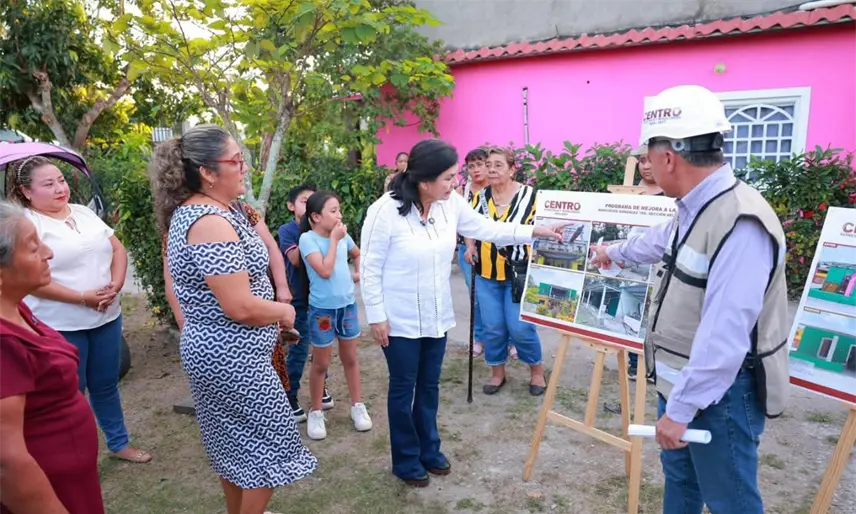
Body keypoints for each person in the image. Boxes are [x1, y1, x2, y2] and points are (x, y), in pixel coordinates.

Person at [591, 85, 790, 514]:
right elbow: (660, 241)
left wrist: (680, 410)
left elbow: (724, 337)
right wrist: (612, 251)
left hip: (721, 394)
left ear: (668, 158)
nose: (645, 165)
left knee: (730, 501)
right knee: (681, 480)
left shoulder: (741, 222)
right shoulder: (697, 204)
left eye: (647, 156)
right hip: (686, 382)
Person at [361, 138, 567, 487]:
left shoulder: (450, 203)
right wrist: (377, 316)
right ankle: (406, 459)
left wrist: (534, 231)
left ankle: (429, 449)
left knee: (430, 386)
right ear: (424, 180)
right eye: (448, 177)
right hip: (398, 320)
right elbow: (369, 268)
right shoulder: (384, 211)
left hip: (436, 315)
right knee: (404, 389)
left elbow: (488, 229)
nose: (455, 183)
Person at [150, 124, 316, 514]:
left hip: (226, 354)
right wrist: (283, 310)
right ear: (208, 172)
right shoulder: (209, 222)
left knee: (236, 450)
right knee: (272, 448)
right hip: (232, 359)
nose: (244, 167)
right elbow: (238, 306)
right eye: (236, 160)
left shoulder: (214, 211)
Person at [6, 156, 150, 464]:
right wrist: (81, 297)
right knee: (71, 393)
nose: (60, 188)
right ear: (26, 191)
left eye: (61, 180)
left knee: (106, 384)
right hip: (60, 324)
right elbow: (30, 280)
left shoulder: (83, 212)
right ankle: (77, 457)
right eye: (49, 184)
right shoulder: (26, 225)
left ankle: (119, 443)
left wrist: (116, 284)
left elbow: (117, 249)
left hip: (106, 316)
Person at [0, 201, 105, 514]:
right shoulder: (3, 344)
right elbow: (6, 462)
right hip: (43, 495)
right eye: (34, 248)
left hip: (69, 478)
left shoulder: (17, 308)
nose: (48, 253)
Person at [163, 198, 296, 393]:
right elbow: (172, 281)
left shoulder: (241, 210)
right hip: (232, 345)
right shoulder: (202, 222)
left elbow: (270, 245)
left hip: (259, 327)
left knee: (270, 390)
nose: (242, 172)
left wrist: (281, 287)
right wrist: (184, 325)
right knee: (256, 399)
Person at [464, 147, 544, 396]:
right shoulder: (480, 197)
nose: (491, 170)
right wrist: (470, 246)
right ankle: (497, 372)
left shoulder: (530, 196)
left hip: (518, 274)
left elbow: (541, 227)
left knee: (520, 328)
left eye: (498, 165)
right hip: (486, 274)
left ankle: (537, 372)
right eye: (488, 165)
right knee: (493, 327)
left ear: (512, 169)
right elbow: (470, 225)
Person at [298, 191, 371, 440]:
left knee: (351, 358)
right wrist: (334, 240)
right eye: (333, 211)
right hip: (323, 311)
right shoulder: (307, 239)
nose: (339, 215)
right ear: (316, 217)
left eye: (339, 209)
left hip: (347, 307)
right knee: (321, 363)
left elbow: (357, 253)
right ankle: (316, 411)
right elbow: (325, 271)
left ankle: (357, 405)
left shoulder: (341, 236)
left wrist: (357, 274)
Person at [277, 184, 335, 422]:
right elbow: (295, 259)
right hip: (300, 302)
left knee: (322, 347)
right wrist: (309, 233)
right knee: (299, 350)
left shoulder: (326, 231)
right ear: (291, 206)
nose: (310, 204)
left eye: (313, 200)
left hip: (322, 301)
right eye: (304, 201)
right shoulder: (287, 231)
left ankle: (320, 389)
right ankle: (290, 396)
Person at [455, 148, 516, 359]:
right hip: (469, 250)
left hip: (498, 250)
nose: (476, 170)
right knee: (477, 297)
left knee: (506, 297)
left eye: (480, 164)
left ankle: (511, 341)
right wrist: (467, 246)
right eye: (471, 166)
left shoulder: (498, 188)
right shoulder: (462, 191)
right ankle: (480, 338)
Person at [626, 143, 662, 382]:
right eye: (642, 161)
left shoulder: (672, 192)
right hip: (635, 262)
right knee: (636, 310)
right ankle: (634, 363)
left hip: (662, 264)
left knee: (659, 315)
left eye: (651, 160)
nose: (646, 166)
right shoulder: (628, 191)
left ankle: (657, 365)